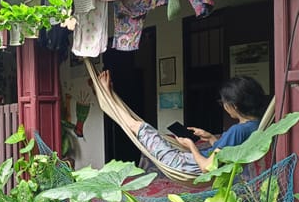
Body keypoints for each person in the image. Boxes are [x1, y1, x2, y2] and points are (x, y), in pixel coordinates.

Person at [98, 71, 266, 173]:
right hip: (187, 160)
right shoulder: (255, 126)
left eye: (224, 103)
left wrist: (191, 146)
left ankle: (107, 94)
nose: (223, 106)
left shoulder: (237, 130)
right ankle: (110, 95)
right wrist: (210, 138)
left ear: (234, 105)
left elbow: (208, 168)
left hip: (185, 166)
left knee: (139, 127)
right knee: (155, 134)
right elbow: (226, 154)